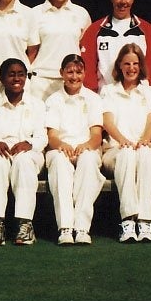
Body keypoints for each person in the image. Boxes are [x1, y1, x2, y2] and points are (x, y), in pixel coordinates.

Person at [0, 58, 47, 246]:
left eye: (21, 74)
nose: (16, 78)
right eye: (11, 74)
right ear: (1, 78)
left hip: (29, 154)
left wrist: (29, 143)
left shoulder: (37, 104)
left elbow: (43, 137)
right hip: (2, 151)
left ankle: (25, 224)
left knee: (23, 161)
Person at [101, 44, 151, 243]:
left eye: (135, 63)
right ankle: (127, 221)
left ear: (141, 65)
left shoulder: (150, 92)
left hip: (143, 147)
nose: (131, 68)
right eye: (126, 63)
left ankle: (145, 222)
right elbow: (107, 122)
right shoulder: (108, 91)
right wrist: (123, 141)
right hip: (115, 150)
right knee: (127, 154)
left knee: (145, 154)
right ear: (119, 65)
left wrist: (144, 141)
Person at [45, 54, 105, 245]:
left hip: (86, 148)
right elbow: (52, 135)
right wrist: (62, 146)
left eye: (78, 72)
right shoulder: (54, 100)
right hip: (60, 148)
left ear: (84, 73)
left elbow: (96, 135)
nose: (74, 76)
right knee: (60, 165)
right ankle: (65, 227)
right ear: (61, 73)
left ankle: (81, 227)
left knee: (88, 162)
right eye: (69, 72)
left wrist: (85, 146)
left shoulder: (93, 99)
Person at [80, 0, 151, 93]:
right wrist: (91, 94)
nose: (123, 1)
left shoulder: (147, 30)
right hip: (104, 96)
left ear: (133, 0)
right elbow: (88, 65)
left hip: (139, 97)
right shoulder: (95, 30)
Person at [29, 0, 91, 100]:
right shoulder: (35, 13)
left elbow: (85, 49)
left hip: (72, 79)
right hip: (41, 80)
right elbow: (31, 51)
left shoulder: (81, 13)